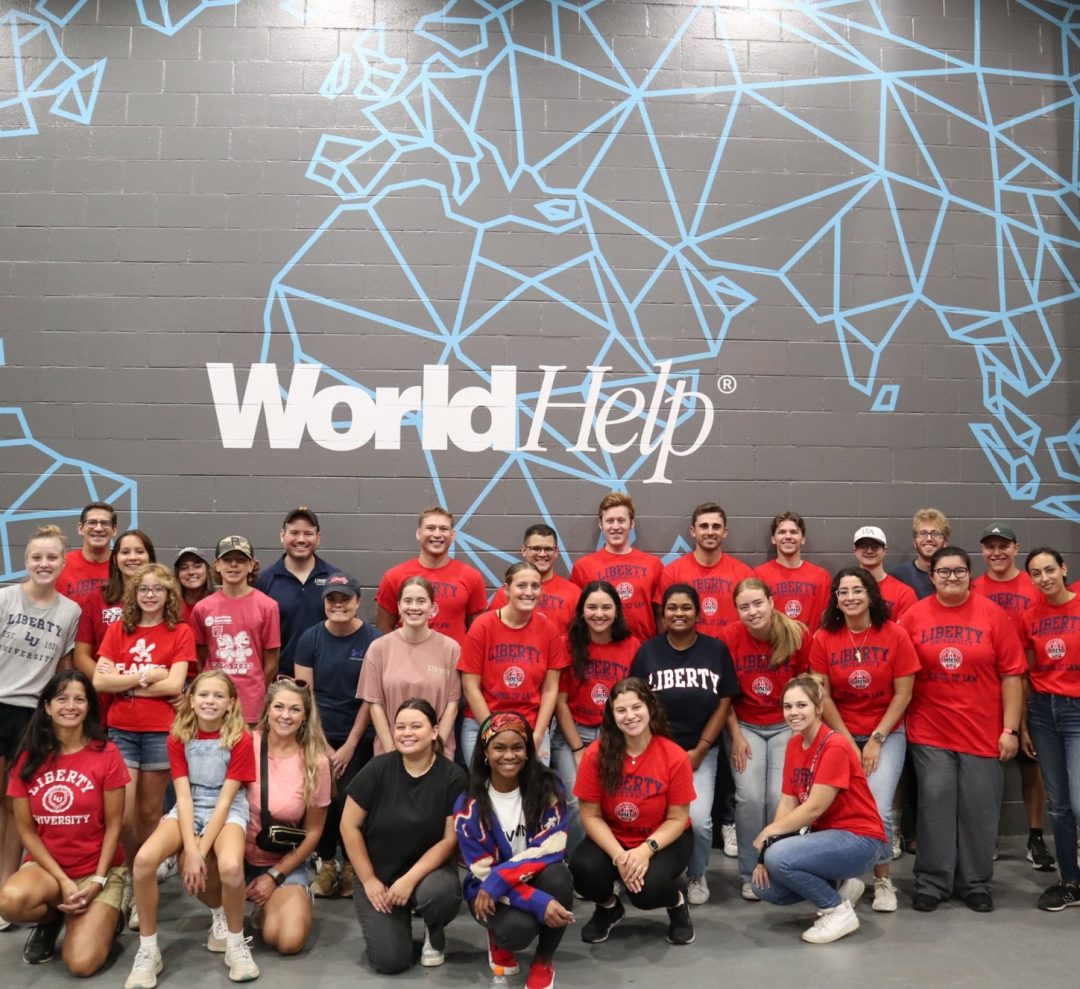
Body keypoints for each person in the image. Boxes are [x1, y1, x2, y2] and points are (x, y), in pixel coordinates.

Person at [899, 546, 1026, 912]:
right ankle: (932, 882)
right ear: (932, 576)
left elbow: (1012, 676)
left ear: (970, 575)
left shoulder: (993, 615)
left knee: (978, 808)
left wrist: (1010, 729)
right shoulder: (914, 616)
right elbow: (898, 669)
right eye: (943, 571)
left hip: (983, 732)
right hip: (930, 730)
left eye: (959, 571)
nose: (951, 577)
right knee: (935, 803)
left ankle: (974, 883)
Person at [124, 670, 257, 989]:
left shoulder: (240, 738)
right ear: (192, 700)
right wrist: (191, 847)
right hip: (190, 804)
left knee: (230, 868)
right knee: (143, 861)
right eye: (203, 695)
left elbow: (225, 801)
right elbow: (183, 797)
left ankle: (236, 944)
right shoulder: (178, 736)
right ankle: (148, 950)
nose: (210, 701)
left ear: (231, 703)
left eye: (219, 696)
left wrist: (200, 849)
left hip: (227, 807)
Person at [0, 671, 127, 972]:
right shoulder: (28, 758)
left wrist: (97, 881)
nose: (70, 706)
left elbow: (114, 826)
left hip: (98, 870)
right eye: (61, 699)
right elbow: (27, 832)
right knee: (9, 902)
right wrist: (63, 881)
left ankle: (109, 916)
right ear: (47, 706)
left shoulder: (107, 753)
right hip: (48, 870)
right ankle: (54, 916)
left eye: (79, 699)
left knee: (82, 964)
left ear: (88, 707)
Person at [809, 567, 920, 912]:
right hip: (839, 732)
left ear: (871, 595)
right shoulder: (824, 637)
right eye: (843, 592)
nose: (851, 597)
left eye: (857, 590)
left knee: (878, 808)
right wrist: (846, 741)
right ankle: (845, 879)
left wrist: (875, 738)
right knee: (836, 810)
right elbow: (822, 696)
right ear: (836, 599)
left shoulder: (895, 634)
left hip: (885, 732)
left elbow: (903, 694)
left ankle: (882, 879)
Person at [750, 674, 888, 945]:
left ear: (819, 708)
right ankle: (842, 887)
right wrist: (768, 847)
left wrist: (768, 834)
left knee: (779, 857)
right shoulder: (794, 744)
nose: (793, 712)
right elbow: (788, 801)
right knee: (763, 886)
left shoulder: (835, 746)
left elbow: (814, 808)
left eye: (801, 705)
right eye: (788, 706)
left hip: (859, 839)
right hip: (825, 838)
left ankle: (836, 911)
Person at [92, 562, 193, 917]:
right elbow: (99, 682)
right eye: (144, 589)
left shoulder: (179, 631)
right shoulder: (119, 629)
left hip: (159, 731)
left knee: (150, 814)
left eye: (158, 589)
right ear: (134, 593)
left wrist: (125, 682)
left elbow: (175, 685)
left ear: (168, 594)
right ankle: (129, 875)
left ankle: (141, 887)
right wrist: (149, 676)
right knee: (123, 816)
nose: (150, 595)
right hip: (122, 730)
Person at [630, 584, 739, 905]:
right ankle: (640, 869)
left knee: (701, 821)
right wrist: (657, 749)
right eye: (672, 608)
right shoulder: (648, 651)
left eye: (686, 608)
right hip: (656, 752)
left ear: (698, 613)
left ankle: (696, 874)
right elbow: (637, 702)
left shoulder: (715, 650)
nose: (679, 614)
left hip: (699, 753)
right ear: (662, 615)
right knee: (647, 815)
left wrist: (702, 748)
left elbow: (724, 702)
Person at [342, 699, 467, 972]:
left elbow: (450, 840)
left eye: (416, 726)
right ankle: (396, 924)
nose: (406, 733)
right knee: (390, 961)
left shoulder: (453, 777)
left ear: (434, 732)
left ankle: (434, 930)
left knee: (439, 894)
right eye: (400, 727)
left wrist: (409, 880)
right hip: (379, 874)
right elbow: (348, 826)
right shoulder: (377, 769)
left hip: (428, 873)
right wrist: (369, 880)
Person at [570, 678, 695, 945]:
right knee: (582, 870)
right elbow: (590, 815)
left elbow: (678, 818)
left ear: (650, 708)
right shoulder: (595, 755)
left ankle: (676, 902)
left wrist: (644, 851)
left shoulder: (675, 756)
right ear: (612, 715)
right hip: (614, 837)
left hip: (664, 839)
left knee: (645, 891)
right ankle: (609, 908)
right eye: (621, 710)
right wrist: (619, 856)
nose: (630, 716)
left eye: (636, 707)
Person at [454, 712, 573, 989]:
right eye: (499, 748)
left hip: (520, 878)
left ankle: (543, 961)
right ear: (485, 751)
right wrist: (538, 902)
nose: (509, 755)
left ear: (528, 750)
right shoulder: (468, 804)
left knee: (559, 878)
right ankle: (498, 937)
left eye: (517, 747)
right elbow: (483, 871)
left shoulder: (548, 785)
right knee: (517, 931)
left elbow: (552, 845)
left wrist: (501, 879)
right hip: (484, 886)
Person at [0, 525, 81, 904]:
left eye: (51, 557)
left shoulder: (70, 611)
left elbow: (64, 668)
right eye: (36, 557)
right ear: (26, 561)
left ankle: (6, 883)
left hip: (33, 716)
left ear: (63, 563)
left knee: (15, 804)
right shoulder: (5, 598)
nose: (43, 564)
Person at [720, 578, 810, 901]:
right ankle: (750, 874)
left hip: (786, 725)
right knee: (750, 798)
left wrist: (800, 731)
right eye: (744, 607)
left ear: (771, 602)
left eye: (758, 603)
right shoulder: (728, 637)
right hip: (745, 725)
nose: (752, 611)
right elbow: (725, 695)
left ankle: (776, 867)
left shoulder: (797, 633)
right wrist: (735, 735)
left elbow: (807, 687)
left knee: (778, 796)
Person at [294, 572, 380, 898]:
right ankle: (327, 863)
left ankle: (351, 867)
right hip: (319, 734)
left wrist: (350, 745)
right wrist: (325, 746)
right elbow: (306, 697)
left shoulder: (373, 640)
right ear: (324, 602)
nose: (338, 604)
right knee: (321, 799)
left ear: (358, 601)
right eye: (332, 599)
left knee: (349, 800)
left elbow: (372, 698)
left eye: (345, 599)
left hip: (359, 735)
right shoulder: (310, 639)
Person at [973, 524, 1052, 871]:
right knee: (989, 765)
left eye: (1003, 546)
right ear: (982, 551)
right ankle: (986, 836)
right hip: (989, 688)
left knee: (1031, 763)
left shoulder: (1034, 584)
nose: (996, 553)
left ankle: (1035, 837)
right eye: (990, 547)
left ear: (1016, 548)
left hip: (1031, 684)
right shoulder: (974, 587)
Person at [244, 679, 331, 954]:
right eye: (279, 707)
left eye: (295, 709)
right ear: (267, 710)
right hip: (232, 856)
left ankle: (274, 903)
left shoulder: (317, 762)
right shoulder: (245, 743)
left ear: (305, 717)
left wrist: (274, 876)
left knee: (287, 941)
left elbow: (314, 832)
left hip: (280, 861)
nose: (285, 715)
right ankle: (221, 916)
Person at [553, 581, 639, 850]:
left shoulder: (632, 645)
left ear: (617, 611)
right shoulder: (566, 645)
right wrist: (578, 749)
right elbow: (559, 702)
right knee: (576, 801)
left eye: (606, 607)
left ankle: (614, 858)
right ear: (581, 611)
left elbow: (636, 702)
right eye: (592, 607)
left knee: (614, 801)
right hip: (572, 735)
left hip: (616, 736)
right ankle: (577, 863)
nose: (599, 614)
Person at [458, 563, 570, 766]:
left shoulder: (549, 630)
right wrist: (493, 732)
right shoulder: (482, 626)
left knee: (532, 787)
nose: (529, 592)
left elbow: (550, 689)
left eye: (535, 586)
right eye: (521, 585)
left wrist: (538, 735)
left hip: (531, 726)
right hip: (482, 723)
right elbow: (470, 687)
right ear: (506, 590)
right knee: (486, 786)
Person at [1020, 548, 1080, 910]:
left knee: (1078, 801)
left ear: (1063, 569)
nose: (1044, 578)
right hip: (1043, 712)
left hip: (1077, 711)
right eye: (1036, 573)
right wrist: (1024, 723)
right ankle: (1070, 881)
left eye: (1049, 570)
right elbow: (1027, 674)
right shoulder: (1030, 617)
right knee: (1059, 805)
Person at [357, 576, 461, 758]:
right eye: (408, 601)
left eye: (421, 601)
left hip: (437, 755)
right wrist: (391, 752)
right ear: (399, 607)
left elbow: (452, 705)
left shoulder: (451, 649)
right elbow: (375, 705)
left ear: (433, 608)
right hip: (389, 753)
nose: (414, 607)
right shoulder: (378, 648)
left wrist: (435, 749)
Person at [192, 536, 281, 725]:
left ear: (251, 565)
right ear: (217, 565)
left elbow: (272, 661)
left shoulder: (268, 606)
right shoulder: (202, 608)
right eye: (227, 560)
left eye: (241, 560)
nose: (233, 565)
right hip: (213, 704)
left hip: (251, 705)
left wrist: (256, 690)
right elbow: (200, 655)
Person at [375, 505, 487, 645]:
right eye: (430, 528)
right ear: (418, 533)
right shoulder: (394, 577)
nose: (437, 534)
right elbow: (383, 630)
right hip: (408, 656)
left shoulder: (471, 577)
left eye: (444, 529)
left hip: (454, 657)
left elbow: (477, 633)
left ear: (452, 536)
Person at [255, 507, 339, 678]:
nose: (301, 539)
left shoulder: (335, 579)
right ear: (282, 535)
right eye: (294, 533)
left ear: (318, 538)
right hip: (280, 681)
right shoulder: (264, 581)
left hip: (325, 679)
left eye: (308, 534)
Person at [570, 492, 663, 641]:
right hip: (601, 649)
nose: (615, 526)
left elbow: (660, 613)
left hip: (645, 647)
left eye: (621, 520)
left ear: (632, 523)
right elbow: (577, 615)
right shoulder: (583, 567)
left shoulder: (653, 564)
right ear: (601, 524)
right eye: (609, 521)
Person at [72, 529, 156, 692]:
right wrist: (114, 684)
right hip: (106, 695)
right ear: (115, 560)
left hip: (151, 694)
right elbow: (81, 656)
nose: (132, 557)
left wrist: (136, 688)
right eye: (125, 552)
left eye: (139, 551)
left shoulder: (167, 599)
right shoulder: (97, 598)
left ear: (150, 558)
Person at [659, 502, 753, 635]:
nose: (710, 532)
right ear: (693, 531)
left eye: (716, 527)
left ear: (725, 532)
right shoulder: (672, 573)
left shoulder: (744, 574)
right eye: (704, 526)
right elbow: (663, 619)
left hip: (730, 647)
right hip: (688, 647)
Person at [488, 524, 578, 635]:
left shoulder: (574, 593)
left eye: (548, 549)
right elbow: (493, 632)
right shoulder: (507, 592)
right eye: (536, 548)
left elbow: (578, 637)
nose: (542, 554)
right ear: (524, 550)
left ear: (556, 552)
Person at [753, 512, 831, 631]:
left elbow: (827, 620)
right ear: (773, 539)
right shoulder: (759, 575)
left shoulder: (821, 576)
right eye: (782, 532)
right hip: (774, 641)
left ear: (803, 539)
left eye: (794, 532)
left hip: (810, 642)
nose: (788, 536)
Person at [852, 525, 916, 619]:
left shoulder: (903, 593)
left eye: (875, 547)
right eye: (863, 546)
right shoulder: (845, 591)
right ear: (855, 550)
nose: (869, 551)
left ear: (885, 550)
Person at [56, 501, 116, 600]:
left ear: (114, 530)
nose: (98, 528)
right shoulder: (61, 564)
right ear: (80, 528)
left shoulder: (122, 566)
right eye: (92, 523)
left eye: (105, 523)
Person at [888, 508, 951, 600]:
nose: (929, 538)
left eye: (936, 534)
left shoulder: (955, 576)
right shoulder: (897, 576)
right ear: (914, 542)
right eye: (923, 533)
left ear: (945, 543)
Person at [174, 547, 215, 630]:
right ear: (178, 574)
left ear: (207, 570)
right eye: (184, 568)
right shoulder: (170, 607)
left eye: (197, 566)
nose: (191, 572)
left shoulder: (218, 604)